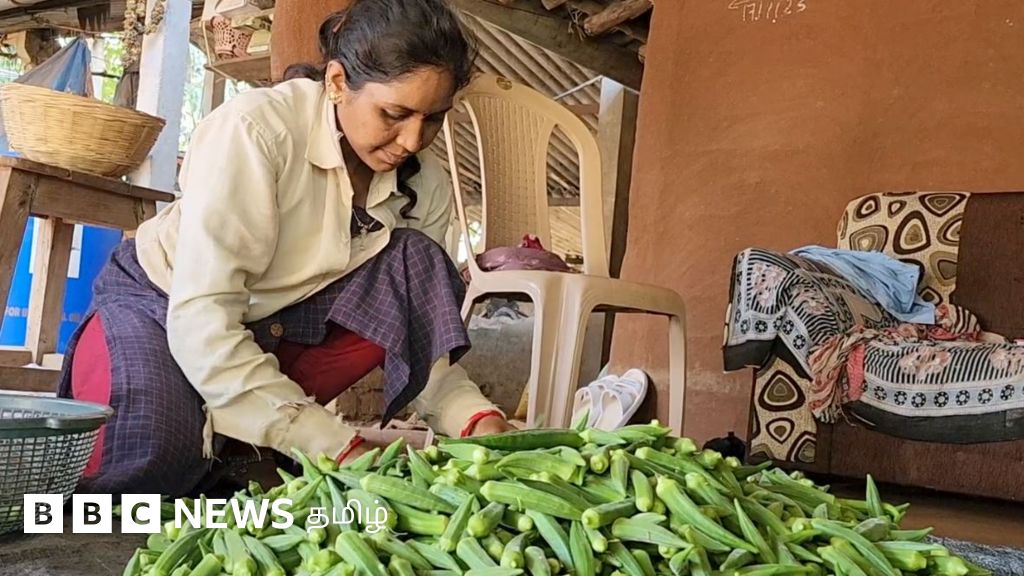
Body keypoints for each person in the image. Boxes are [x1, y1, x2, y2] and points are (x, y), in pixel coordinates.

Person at [57, 0, 513, 498]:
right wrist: (333, 444)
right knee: (152, 466)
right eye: (394, 114)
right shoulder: (255, 131)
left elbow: (421, 336)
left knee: (416, 259)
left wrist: (478, 421)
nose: (411, 140)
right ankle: (224, 433)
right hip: (165, 307)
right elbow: (204, 318)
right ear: (337, 82)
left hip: (277, 326)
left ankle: (245, 437)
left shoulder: (425, 185)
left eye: (433, 119)